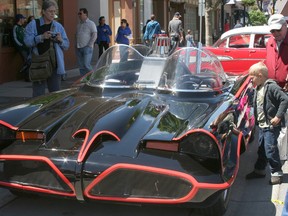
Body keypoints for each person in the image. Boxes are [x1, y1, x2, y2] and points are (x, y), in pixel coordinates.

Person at [245, 62, 288, 185]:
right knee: (262, 149)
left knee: (270, 149)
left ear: (260, 76)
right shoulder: (258, 88)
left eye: (252, 77)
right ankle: (259, 170)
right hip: (262, 125)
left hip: (271, 125)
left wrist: (278, 116)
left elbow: (285, 99)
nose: (250, 80)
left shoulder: (271, 87)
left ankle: (276, 173)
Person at [24, 0, 69, 97]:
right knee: (38, 96)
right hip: (38, 65)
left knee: (55, 95)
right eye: (50, 11)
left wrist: (60, 40)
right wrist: (41, 37)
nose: (53, 14)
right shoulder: (33, 24)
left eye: (54, 11)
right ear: (43, 11)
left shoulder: (58, 26)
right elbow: (27, 42)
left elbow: (66, 45)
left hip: (54, 66)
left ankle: (54, 112)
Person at [265, 14, 288, 163]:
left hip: (286, 89)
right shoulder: (270, 42)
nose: (276, 33)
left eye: (278, 30)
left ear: (285, 25)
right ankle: (275, 162)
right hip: (273, 89)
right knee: (273, 128)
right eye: (273, 31)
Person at [76, 8, 97, 76]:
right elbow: (76, 35)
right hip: (79, 47)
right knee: (81, 66)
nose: (79, 15)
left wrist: (89, 45)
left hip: (87, 48)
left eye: (80, 13)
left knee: (86, 65)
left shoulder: (91, 23)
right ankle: (83, 80)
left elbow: (94, 35)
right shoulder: (79, 25)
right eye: (78, 14)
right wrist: (75, 45)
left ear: (85, 14)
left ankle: (94, 78)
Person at [13, 14, 30, 81]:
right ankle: (26, 76)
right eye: (23, 18)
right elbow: (14, 38)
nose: (24, 20)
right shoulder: (15, 27)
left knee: (29, 61)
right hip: (22, 48)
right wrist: (20, 45)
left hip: (27, 47)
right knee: (27, 61)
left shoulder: (23, 28)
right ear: (20, 19)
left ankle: (28, 76)